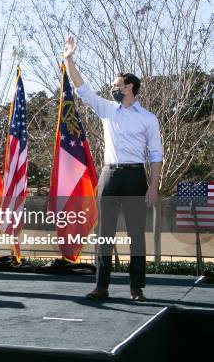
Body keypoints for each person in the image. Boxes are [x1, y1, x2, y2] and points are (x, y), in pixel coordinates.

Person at [63, 36, 163, 302]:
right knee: (104, 233)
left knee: (136, 235)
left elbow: (156, 155)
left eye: (117, 85)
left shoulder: (148, 119)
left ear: (129, 87)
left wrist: (153, 186)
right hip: (109, 175)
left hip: (134, 177)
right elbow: (83, 89)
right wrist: (69, 59)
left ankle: (136, 288)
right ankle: (102, 287)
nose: (113, 89)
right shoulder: (107, 109)